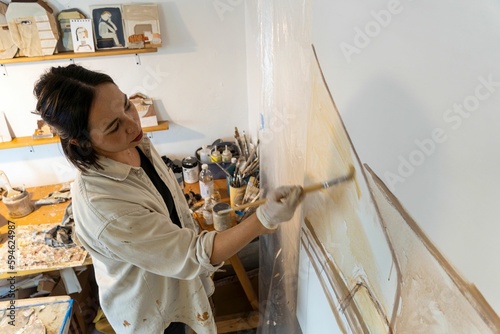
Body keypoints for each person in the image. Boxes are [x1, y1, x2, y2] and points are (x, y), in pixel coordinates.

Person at [33, 64, 304, 334]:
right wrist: (264, 219)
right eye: (114, 126)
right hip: (153, 312)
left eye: (127, 105)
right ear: (82, 142)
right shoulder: (106, 208)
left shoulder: (134, 143)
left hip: (179, 279)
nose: (132, 124)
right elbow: (194, 255)